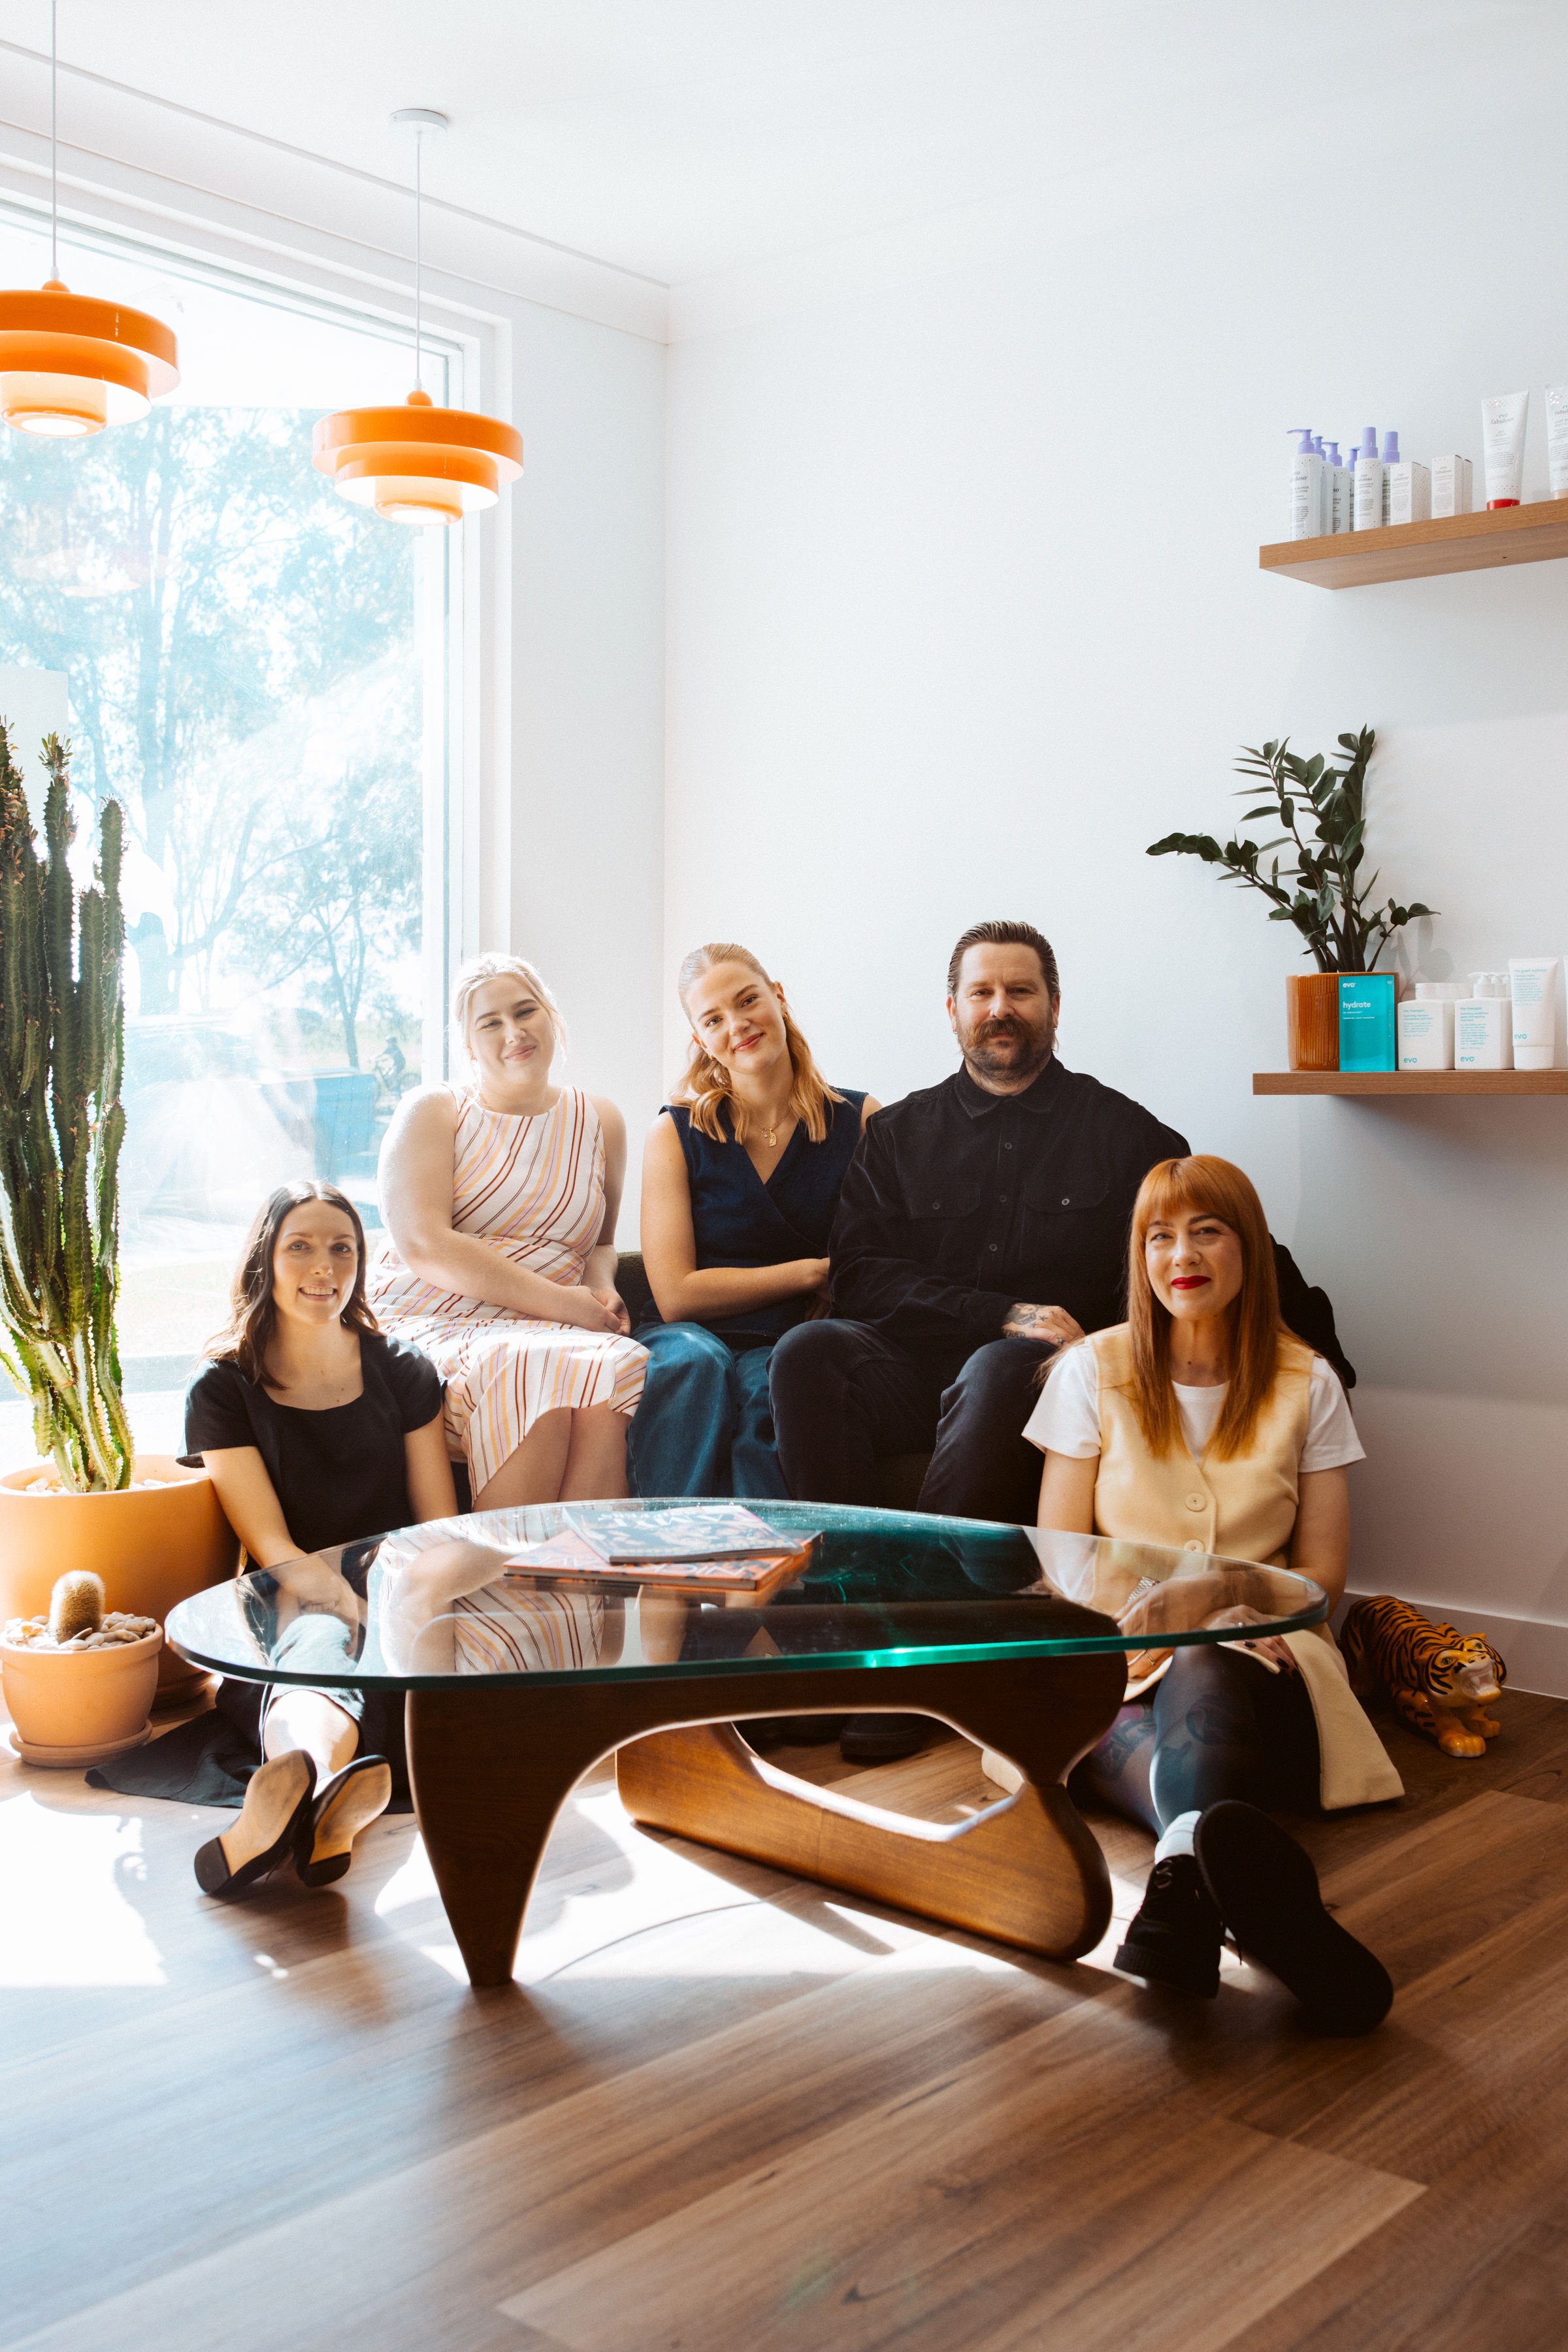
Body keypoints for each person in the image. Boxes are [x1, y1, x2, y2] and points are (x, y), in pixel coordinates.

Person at [770, 919, 1354, 1525]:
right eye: (981, 993)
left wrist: (1322, 1370)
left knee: (999, 1366)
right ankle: (837, 1591)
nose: (1000, 1008)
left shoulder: (1125, 1134)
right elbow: (861, 1274)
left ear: (1054, 1007)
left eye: (1021, 992)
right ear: (952, 1010)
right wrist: (999, 1314)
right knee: (807, 1350)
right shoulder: (896, 1136)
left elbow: (1223, 1241)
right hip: (908, 1373)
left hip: (1044, 1381)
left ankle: (935, 1598)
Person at [1028, 1153, 1400, 2033]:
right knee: (1128, 1724)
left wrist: (1226, 1594)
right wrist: (1146, 1621)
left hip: (1262, 1654)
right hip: (1114, 1654)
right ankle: (1194, 1870)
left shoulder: (1306, 1381)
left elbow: (1325, 1576)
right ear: (1139, 1256)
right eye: (1159, 1236)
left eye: (1206, 1231)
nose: (1180, 1254)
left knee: (1209, 1660)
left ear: (1249, 1251)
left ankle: (1183, 1883)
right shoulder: (1093, 1370)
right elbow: (1060, 1558)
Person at [88, 1181, 459, 1901]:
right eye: (301, 1246)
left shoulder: (405, 1368)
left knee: (378, 1655)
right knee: (318, 1649)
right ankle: (318, 1795)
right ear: (266, 1258)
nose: (324, 1266)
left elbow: (434, 1528)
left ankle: (301, 1799)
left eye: (341, 1248)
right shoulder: (223, 1389)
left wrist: (392, 1601)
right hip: (285, 1592)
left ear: (360, 1262)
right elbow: (272, 1545)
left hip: (398, 1586)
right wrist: (339, 1601)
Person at [368, 953, 648, 1511]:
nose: (514, 1032)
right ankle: (500, 1589)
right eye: (490, 1023)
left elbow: (599, 1242)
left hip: (558, 1325)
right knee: (533, 1369)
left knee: (617, 1367)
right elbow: (423, 1243)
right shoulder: (435, 1109)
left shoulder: (602, 1121)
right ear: (468, 1045)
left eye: (526, 1012)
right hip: (438, 1317)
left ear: (552, 1017)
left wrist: (601, 1288)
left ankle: (577, 1589)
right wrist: (564, 1306)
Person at [630, 941, 877, 1501]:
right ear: (701, 1040)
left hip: (799, 1342)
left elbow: (881, 1259)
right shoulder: (674, 1133)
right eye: (714, 1019)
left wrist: (837, 1284)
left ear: (779, 997)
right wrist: (814, 1274)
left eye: (748, 1001)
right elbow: (676, 1295)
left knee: (770, 1381)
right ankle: (667, 1556)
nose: (737, 1025)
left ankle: (763, 1577)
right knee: (697, 1364)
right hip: (689, 1336)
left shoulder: (862, 1120)